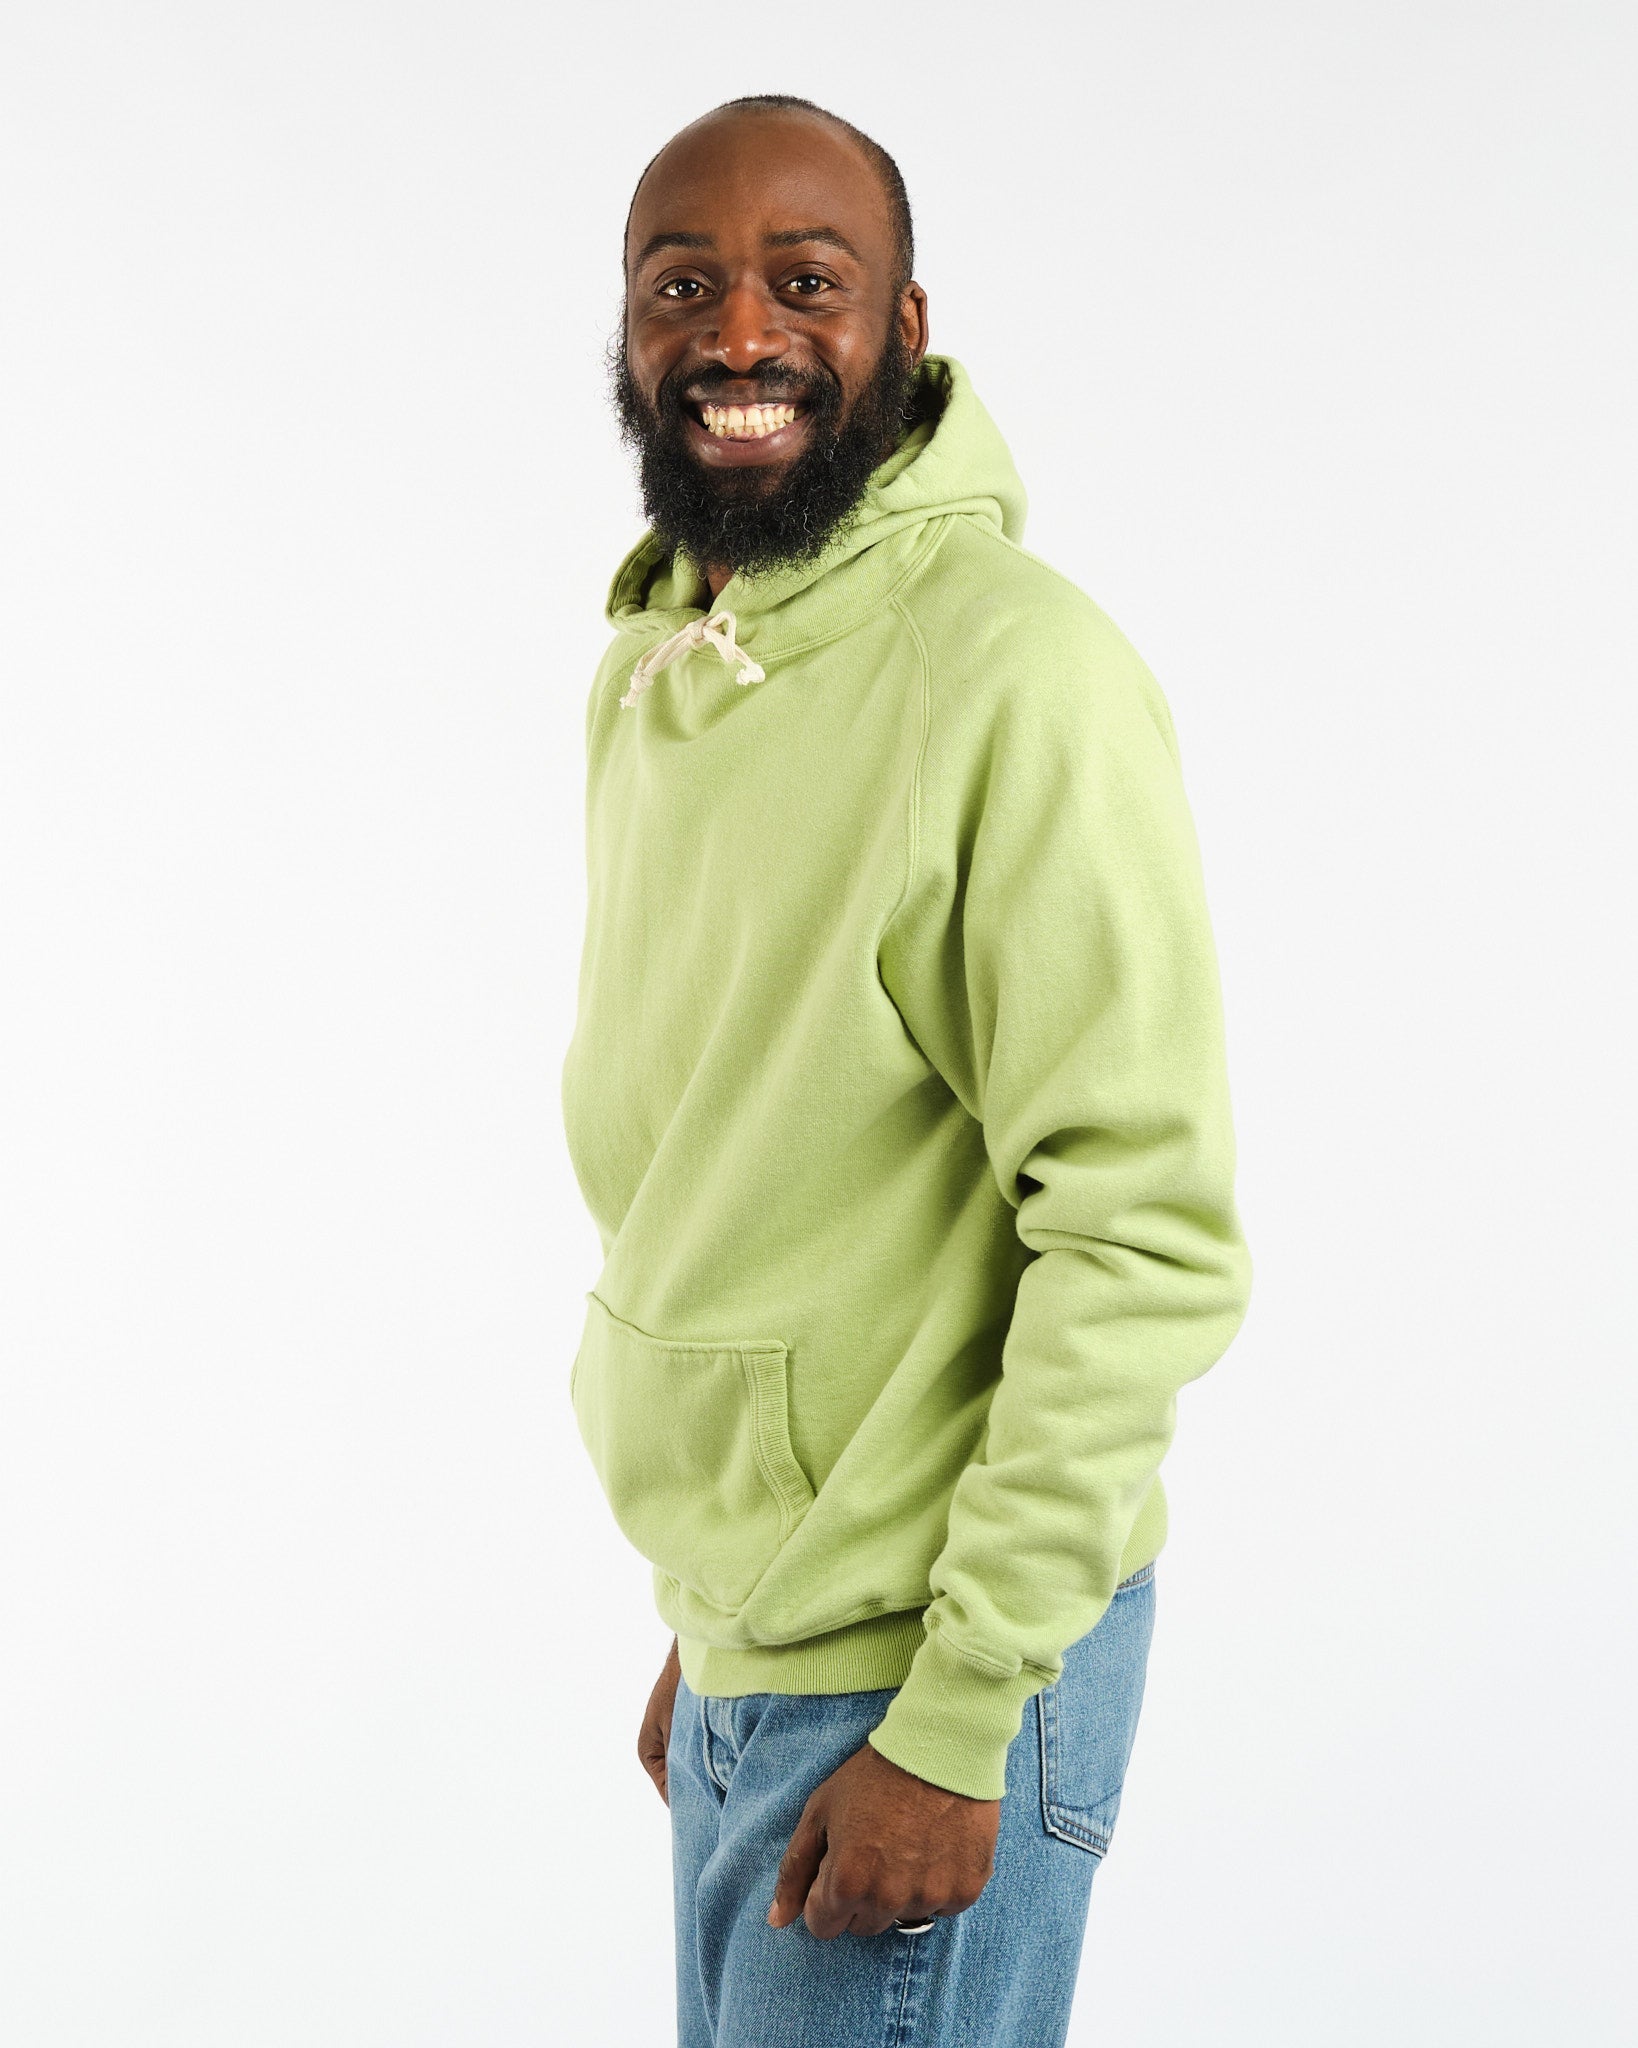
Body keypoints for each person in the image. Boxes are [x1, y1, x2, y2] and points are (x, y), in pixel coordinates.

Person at [560, 93, 1252, 2047]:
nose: (740, 333)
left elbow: (1140, 1235)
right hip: (766, 1637)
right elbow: (738, 1168)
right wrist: (724, 1608)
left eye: (807, 283)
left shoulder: (1014, 674)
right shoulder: (661, 670)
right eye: (683, 285)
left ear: (906, 329)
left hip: (941, 1675)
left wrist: (954, 1714)